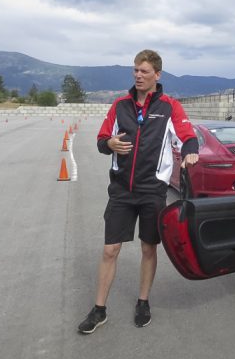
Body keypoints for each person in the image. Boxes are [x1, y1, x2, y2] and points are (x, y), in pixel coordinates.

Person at [78, 49, 199, 334]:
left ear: (157, 75)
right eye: (135, 70)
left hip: (152, 191)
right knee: (110, 250)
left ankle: (143, 301)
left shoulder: (170, 107)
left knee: (148, 248)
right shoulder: (120, 105)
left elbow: (187, 136)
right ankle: (99, 309)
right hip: (121, 189)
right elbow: (101, 139)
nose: (138, 75)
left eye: (144, 71)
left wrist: (191, 153)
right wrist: (109, 144)